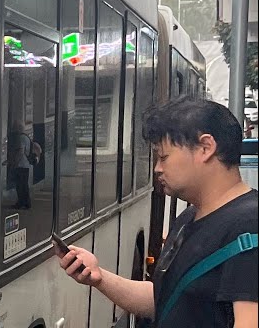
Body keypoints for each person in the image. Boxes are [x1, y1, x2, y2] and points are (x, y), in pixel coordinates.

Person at [57, 96, 257, 327]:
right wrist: (98, 277)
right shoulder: (189, 217)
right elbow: (163, 299)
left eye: (164, 157)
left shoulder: (249, 229)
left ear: (205, 148)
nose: (157, 168)